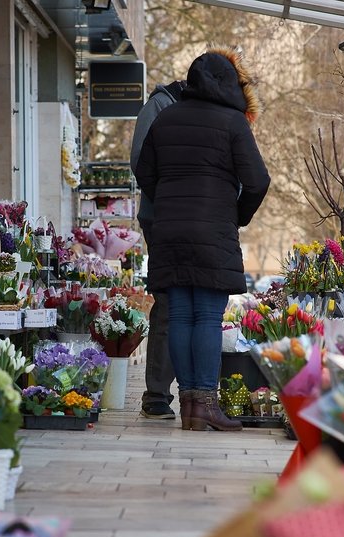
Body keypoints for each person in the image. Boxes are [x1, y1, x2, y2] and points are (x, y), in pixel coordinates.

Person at [134, 46, 270, 432]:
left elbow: (145, 173)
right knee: (208, 316)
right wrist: (237, 213)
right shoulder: (233, 123)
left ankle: (188, 406)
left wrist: (169, 203)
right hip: (213, 230)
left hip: (170, 229)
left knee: (178, 314)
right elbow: (258, 180)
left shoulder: (167, 117)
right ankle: (205, 405)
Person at [130, 80, 186, 420]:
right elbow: (142, 163)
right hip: (162, 218)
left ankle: (197, 394)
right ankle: (157, 394)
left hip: (199, 219)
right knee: (168, 300)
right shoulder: (160, 105)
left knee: (195, 305)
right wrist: (171, 202)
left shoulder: (219, 110)